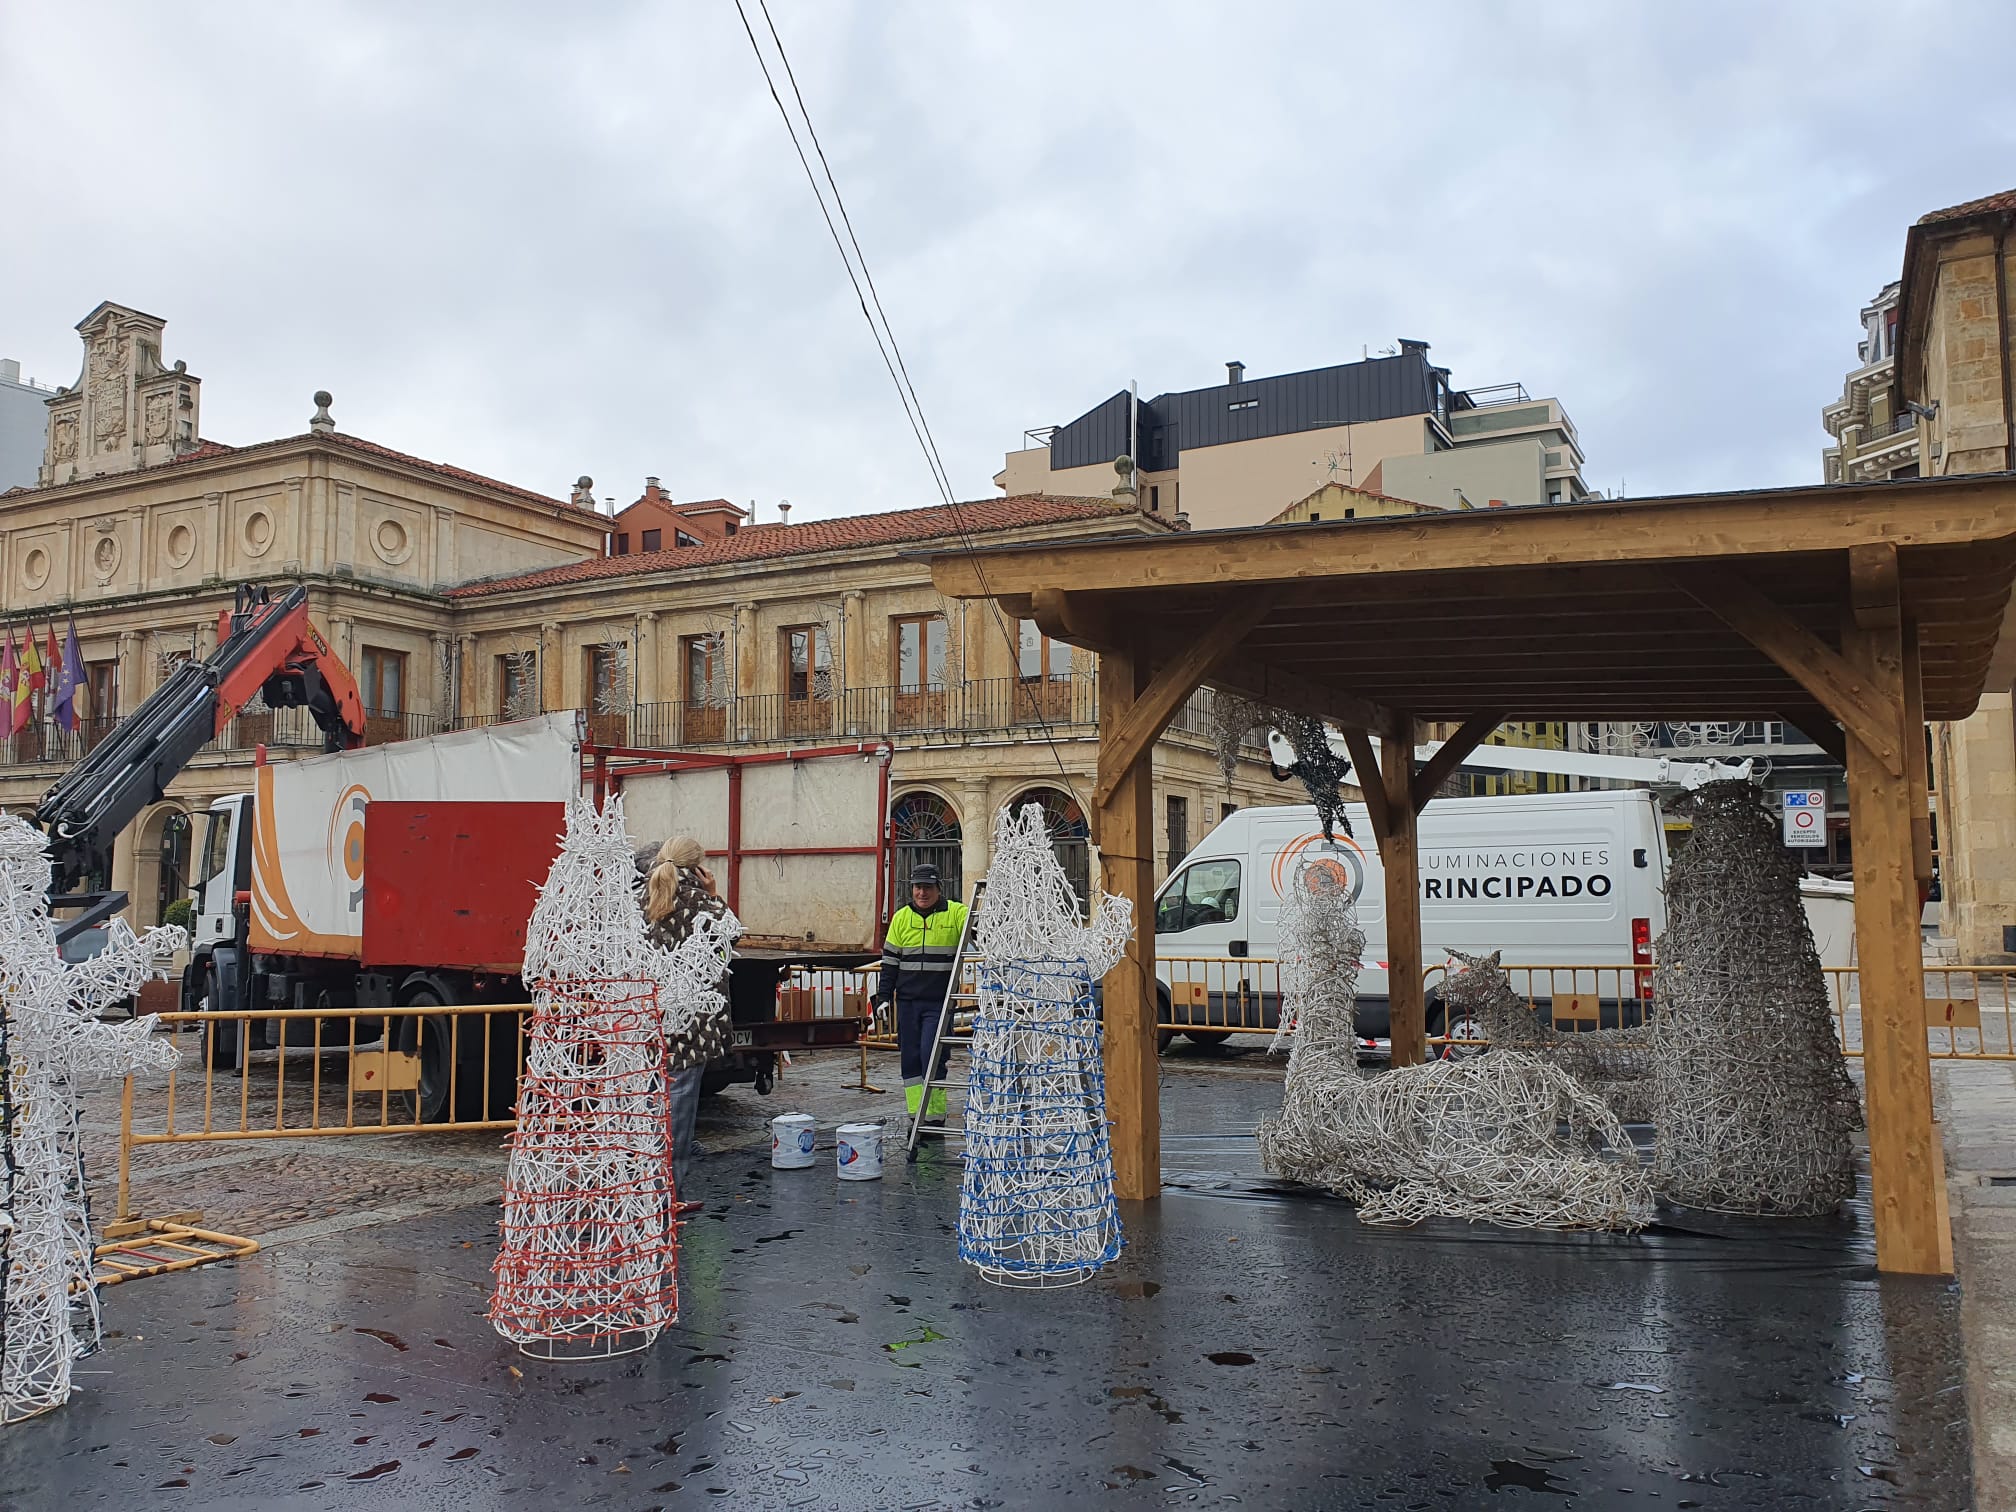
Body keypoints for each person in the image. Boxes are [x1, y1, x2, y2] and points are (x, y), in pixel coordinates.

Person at [641, 835, 732, 1215]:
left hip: (650, 1019)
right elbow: (729, 938)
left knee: (650, 1107)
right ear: (696, 867)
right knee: (679, 1113)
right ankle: (668, 1196)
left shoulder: (643, 900)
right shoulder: (696, 902)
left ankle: (643, 1188)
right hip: (691, 1025)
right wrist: (714, 894)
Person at [873, 863, 968, 1125]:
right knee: (911, 1060)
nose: (922, 893)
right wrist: (883, 997)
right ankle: (917, 1117)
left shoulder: (956, 913)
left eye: (927, 887)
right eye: (917, 887)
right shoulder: (901, 918)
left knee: (932, 1056)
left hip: (939, 1002)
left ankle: (935, 1118)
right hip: (907, 1003)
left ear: (939, 888)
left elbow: (979, 929)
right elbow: (890, 962)